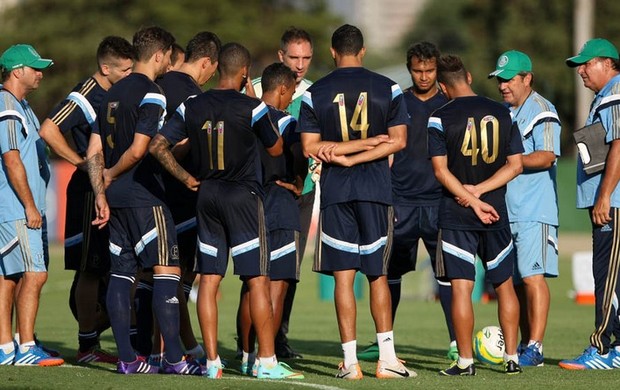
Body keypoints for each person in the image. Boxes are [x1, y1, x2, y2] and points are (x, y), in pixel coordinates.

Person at [149, 42, 304, 380]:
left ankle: (212, 363)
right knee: (257, 280)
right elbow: (276, 148)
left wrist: (186, 176)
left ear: (217, 67)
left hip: (206, 194)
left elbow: (158, 144)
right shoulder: (252, 107)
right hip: (243, 196)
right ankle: (265, 362)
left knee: (208, 281)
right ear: (246, 73)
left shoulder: (193, 104)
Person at [299, 24, 414, 380]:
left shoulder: (314, 93)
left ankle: (350, 363)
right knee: (378, 275)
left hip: (336, 193)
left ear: (333, 53)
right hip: (377, 192)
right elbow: (398, 142)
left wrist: (344, 157)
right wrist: (363, 149)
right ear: (362, 52)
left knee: (344, 279)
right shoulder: (388, 88)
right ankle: (387, 359)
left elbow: (309, 147)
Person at [85, 26, 201, 375]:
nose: (170, 62)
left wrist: (101, 192)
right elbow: (138, 150)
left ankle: (127, 360)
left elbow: (93, 151)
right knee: (167, 271)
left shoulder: (109, 93)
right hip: (146, 197)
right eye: (168, 55)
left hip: (116, 201)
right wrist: (112, 174)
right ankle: (175, 360)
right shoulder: (153, 94)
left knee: (122, 274)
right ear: (158, 55)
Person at [357, 41, 457, 363]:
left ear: (437, 70)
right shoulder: (396, 101)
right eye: (417, 70)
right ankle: (384, 342)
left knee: (447, 275)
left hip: (439, 202)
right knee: (390, 274)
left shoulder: (449, 103)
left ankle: (457, 341)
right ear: (409, 68)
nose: (424, 76)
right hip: (400, 200)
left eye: (429, 70)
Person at [39, 35, 135, 365]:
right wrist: (80, 162)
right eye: (124, 69)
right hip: (87, 190)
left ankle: (99, 332)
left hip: (110, 188)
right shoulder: (85, 95)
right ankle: (86, 346)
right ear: (105, 67)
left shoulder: (117, 93)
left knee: (111, 268)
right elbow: (49, 129)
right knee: (90, 268)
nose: (129, 74)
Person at [428, 54, 523, 376]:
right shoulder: (502, 112)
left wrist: (470, 197)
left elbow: (441, 172)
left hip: (457, 212)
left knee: (461, 288)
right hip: (495, 211)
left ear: (442, 86)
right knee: (505, 285)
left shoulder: (439, 117)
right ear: (468, 76)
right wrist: (482, 193)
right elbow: (516, 165)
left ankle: (465, 362)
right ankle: (512, 358)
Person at [143, 30, 220, 366]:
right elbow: (167, 143)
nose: (210, 76)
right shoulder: (192, 96)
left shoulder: (157, 83)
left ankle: (168, 347)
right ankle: (177, 350)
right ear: (206, 63)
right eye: (212, 70)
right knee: (177, 278)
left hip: (146, 191)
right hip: (179, 196)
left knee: (154, 277)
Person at [488, 50, 561, 367]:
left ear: (527, 78)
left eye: (508, 80)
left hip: (535, 209)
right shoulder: (501, 113)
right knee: (514, 283)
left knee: (533, 278)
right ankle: (521, 346)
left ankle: (536, 346)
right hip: (507, 211)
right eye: (499, 80)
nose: (503, 86)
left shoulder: (542, 109)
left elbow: (547, 156)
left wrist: (511, 162)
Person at [246, 26, 314, 359]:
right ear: (280, 57)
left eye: (306, 58)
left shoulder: (316, 94)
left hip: (302, 192)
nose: (300, 65)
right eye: (294, 57)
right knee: (256, 273)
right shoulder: (256, 92)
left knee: (289, 272)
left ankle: (278, 338)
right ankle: (250, 345)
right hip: (261, 191)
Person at [238, 62, 305, 375]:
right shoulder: (287, 122)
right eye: (291, 91)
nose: (292, 97)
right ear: (281, 88)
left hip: (246, 207)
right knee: (276, 287)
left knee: (252, 287)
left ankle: (244, 355)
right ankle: (267, 358)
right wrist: (299, 181)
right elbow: (298, 157)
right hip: (279, 206)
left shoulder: (242, 118)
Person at [0, 44, 64, 366]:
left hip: (19, 206)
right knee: (34, 274)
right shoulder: (6, 104)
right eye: (35, 68)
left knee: (9, 276)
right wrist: (29, 205)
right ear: (17, 71)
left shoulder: (22, 105)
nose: (41, 73)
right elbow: (11, 159)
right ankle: (25, 347)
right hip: (15, 207)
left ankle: (7, 348)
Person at [560, 38, 620, 370]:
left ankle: (601, 348)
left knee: (606, 275)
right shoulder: (605, 95)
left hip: (613, 202)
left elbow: (618, 146)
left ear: (607, 63)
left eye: (587, 63)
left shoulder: (614, 93)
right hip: (611, 201)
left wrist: (605, 196)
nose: (581, 70)